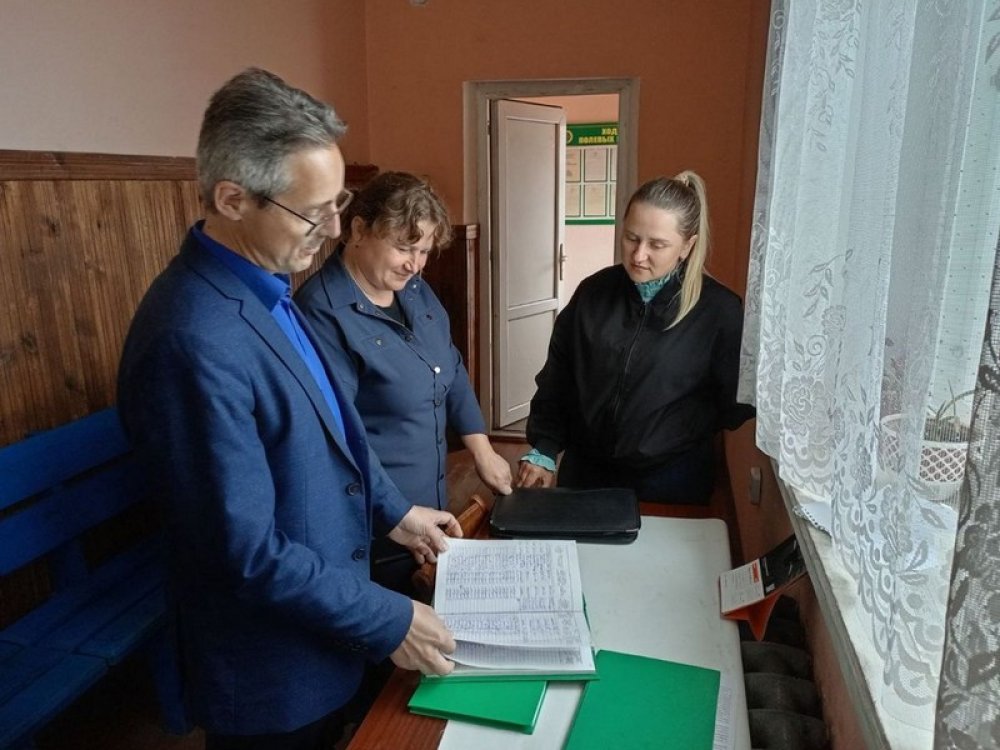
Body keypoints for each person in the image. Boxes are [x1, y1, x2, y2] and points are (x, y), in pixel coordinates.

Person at [117, 68, 461, 750]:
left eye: (339, 203)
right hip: (271, 673)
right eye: (314, 211)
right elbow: (242, 552)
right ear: (233, 198)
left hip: (323, 629)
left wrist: (396, 513)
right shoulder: (192, 339)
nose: (332, 230)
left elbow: (334, 428)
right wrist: (388, 618)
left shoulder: (266, 283)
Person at [296, 171, 512, 593]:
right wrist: (396, 512)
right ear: (359, 230)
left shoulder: (414, 289)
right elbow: (339, 437)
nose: (415, 264)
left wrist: (482, 449)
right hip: (377, 521)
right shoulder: (321, 313)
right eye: (403, 247)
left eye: (424, 250)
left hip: (428, 507)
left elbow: (449, 366)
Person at [516, 171, 755, 504]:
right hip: (585, 475)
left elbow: (737, 403)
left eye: (657, 244)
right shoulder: (593, 293)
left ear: (687, 246)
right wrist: (545, 447)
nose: (638, 255)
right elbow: (559, 378)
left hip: (670, 481)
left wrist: (681, 428)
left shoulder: (719, 311)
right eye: (631, 238)